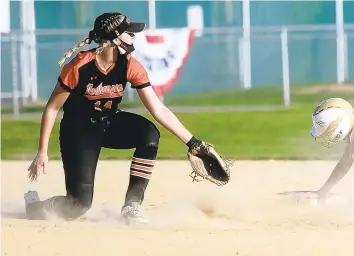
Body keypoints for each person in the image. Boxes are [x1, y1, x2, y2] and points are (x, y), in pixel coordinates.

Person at [25, 12, 221, 224]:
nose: (134, 36)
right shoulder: (79, 66)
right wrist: (42, 151)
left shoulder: (129, 65)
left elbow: (158, 109)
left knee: (148, 133)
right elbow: (53, 108)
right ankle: (35, 206)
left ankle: (132, 205)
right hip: (78, 133)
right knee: (78, 205)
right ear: (114, 37)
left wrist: (193, 142)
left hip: (108, 123)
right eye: (130, 33)